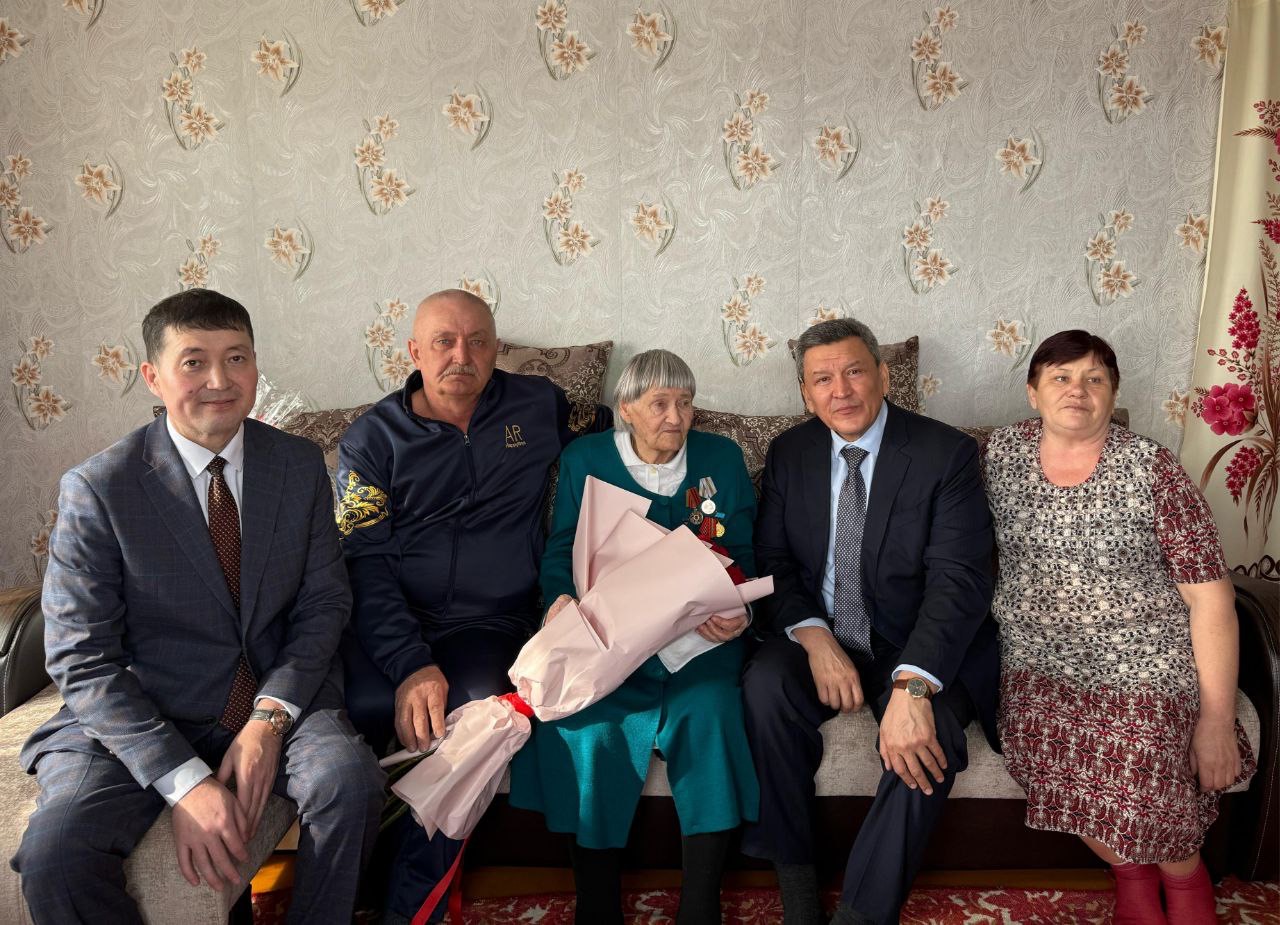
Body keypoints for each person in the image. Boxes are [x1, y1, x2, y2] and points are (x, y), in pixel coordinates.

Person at [11, 289, 385, 925]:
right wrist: (184, 782)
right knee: (56, 857)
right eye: (194, 362)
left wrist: (268, 719)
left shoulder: (297, 465)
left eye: (236, 358)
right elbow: (81, 659)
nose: (220, 380)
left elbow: (324, 603)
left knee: (351, 784)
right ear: (152, 376)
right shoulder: (99, 488)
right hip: (146, 708)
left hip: (272, 693)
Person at [337, 288, 609, 923]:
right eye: (444, 341)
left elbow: (616, 432)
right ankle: (347, 890)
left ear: (495, 349)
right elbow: (364, 563)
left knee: (479, 717)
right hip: (393, 621)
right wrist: (409, 663)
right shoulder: (370, 441)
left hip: (491, 623)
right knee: (349, 718)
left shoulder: (538, 404)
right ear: (413, 352)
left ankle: (411, 907)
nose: (461, 355)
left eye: (477, 341)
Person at [982, 330, 1255, 925]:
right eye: (1060, 377)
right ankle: (1132, 877)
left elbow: (1212, 600)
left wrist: (1215, 720)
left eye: (1094, 379)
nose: (1076, 390)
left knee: (1144, 757)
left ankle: (1184, 880)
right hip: (1038, 659)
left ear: (1113, 393)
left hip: (1146, 658)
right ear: (1032, 393)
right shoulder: (998, 455)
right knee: (1037, 750)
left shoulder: (1152, 468)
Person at [741, 317, 998, 925]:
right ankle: (798, 888)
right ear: (805, 393)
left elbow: (959, 581)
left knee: (929, 736)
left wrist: (914, 684)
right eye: (822, 379)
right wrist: (814, 638)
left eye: (855, 371)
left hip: (912, 640)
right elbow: (773, 561)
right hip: (824, 630)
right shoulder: (791, 452)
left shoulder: (945, 453)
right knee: (765, 686)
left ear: (883, 375)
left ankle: (862, 913)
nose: (842, 391)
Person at [508, 349, 760, 925]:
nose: (676, 417)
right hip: (611, 639)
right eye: (660, 403)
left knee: (711, 712)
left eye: (685, 403)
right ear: (626, 409)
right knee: (586, 724)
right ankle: (597, 907)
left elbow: (742, 554)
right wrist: (560, 601)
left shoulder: (720, 457)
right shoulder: (587, 458)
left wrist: (739, 610)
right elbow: (561, 548)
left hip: (697, 641)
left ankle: (700, 908)